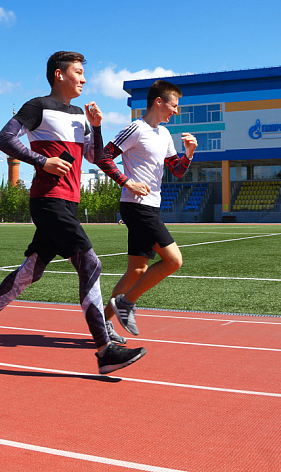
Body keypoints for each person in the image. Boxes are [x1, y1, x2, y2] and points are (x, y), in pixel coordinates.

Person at [0, 51, 146, 375]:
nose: (84, 79)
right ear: (59, 75)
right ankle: (105, 349)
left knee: (29, 273)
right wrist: (41, 161)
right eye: (78, 72)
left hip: (69, 203)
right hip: (47, 200)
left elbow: (96, 156)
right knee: (90, 263)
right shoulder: (38, 107)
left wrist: (97, 127)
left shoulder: (79, 114)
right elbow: (3, 138)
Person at [95, 80, 197, 340]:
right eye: (174, 105)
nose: (176, 111)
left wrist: (189, 154)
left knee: (137, 270)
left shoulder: (164, 134)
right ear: (159, 102)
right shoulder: (135, 129)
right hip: (135, 206)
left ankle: (102, 324)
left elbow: (177, 170)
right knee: (174, 260)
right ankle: (126, 303)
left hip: (152, 206)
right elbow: (104, 157)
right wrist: (127, 181)